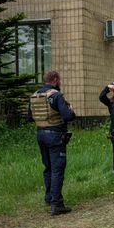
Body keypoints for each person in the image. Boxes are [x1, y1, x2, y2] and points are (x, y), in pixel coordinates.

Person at [28, 71, 76, 216]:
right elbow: (68, 116)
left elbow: (30, 118)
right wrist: (71, 110)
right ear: (55, 80)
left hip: (40, 134)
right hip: (55, 136)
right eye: (59, 80)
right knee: (57, 169)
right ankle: (57, 204)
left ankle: (49, 198)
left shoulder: (34, 96)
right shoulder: (56, 96)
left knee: (48, 167)